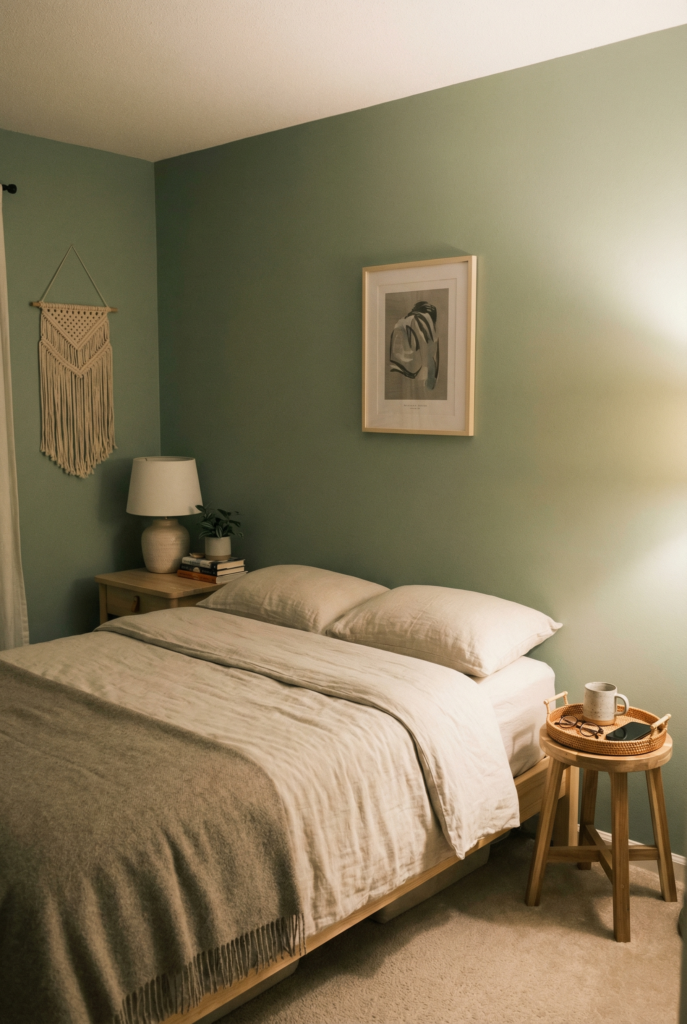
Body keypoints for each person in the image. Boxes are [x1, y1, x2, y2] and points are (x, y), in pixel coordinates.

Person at [389, 300, 439, 391]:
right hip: (410, 367)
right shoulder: (420, 319)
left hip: (397, 365)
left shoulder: (402, 321)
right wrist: (425, 368)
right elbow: (425, 342)